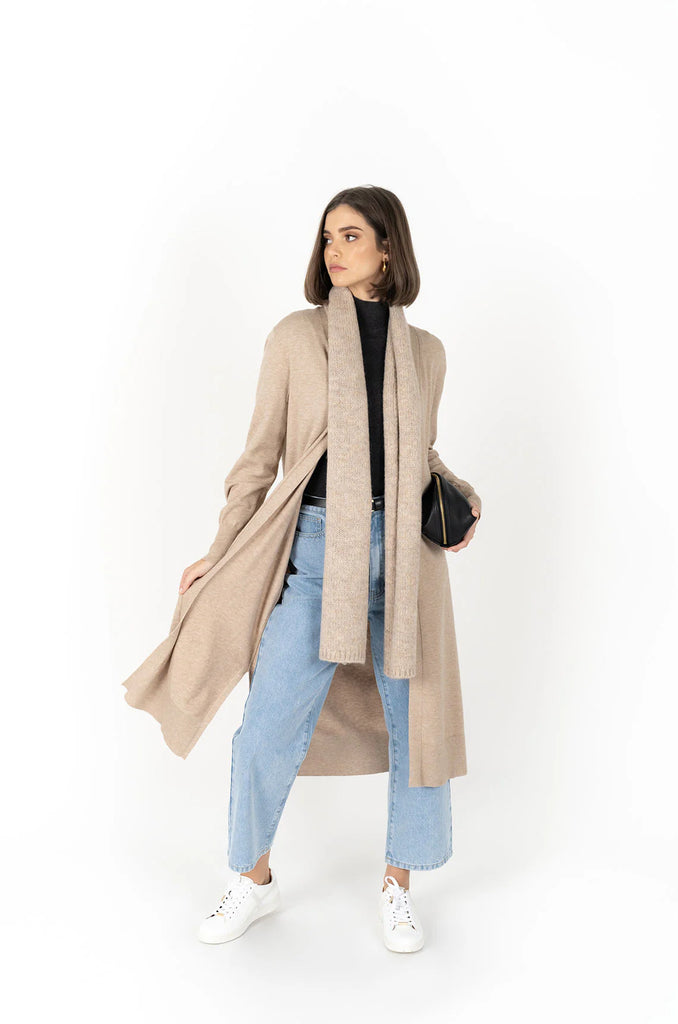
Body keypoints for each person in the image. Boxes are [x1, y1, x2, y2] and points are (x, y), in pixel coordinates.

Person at [178, 186, 481, 953]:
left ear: (387, 247)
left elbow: (419, 453)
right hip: (317, 554)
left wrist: (460, 503)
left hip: (405, 562)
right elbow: (259, 459)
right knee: (264, 728)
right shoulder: (296, 338)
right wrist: (221, 549)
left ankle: (397, 885)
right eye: (326, 238)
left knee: (416, 727)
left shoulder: (426, 352)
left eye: (350, 236)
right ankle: (253, 880)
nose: (333, 250)